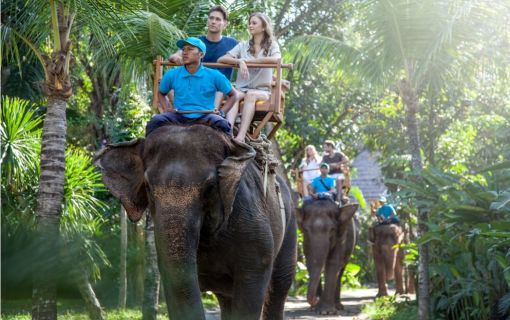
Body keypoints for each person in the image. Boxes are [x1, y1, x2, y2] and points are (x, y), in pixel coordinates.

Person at [146, 37, 239, 137]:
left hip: (206, 117)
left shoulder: (214, 75)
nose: (185, 52)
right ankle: (145, 151)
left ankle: (232, 151)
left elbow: (234, 95)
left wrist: (222, 113)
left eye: (190, 49)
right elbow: (161, 92)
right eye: (183, 49)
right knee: (155, 121)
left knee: (223, 125)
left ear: (201, 54)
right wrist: (166, 108)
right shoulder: (172, 74)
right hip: (179, 116)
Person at [218, 12, 281, 142]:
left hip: (261, 90)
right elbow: (222, 58)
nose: (250, 26)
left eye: (254, 23)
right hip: (242, 88)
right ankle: (228, 132)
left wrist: (254, 62)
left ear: (263, 27)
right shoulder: (243, 45)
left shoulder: (272, 45)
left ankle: (241, 137)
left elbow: (277, 59)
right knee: (234, 94)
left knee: (251, 95)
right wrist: (240, 62)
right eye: (250, 23)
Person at [168, 6, 238, 109]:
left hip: (220, 89)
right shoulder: (197, 42)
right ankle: (181, 112)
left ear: (225, 24)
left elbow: (249, 57)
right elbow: (175, 55)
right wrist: (176, 58)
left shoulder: (233, 43)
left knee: (218, 88)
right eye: (211, 18)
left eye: (218, 19)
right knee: (167, 83)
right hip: (196, 84)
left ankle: (211, 116)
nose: (213, 21)